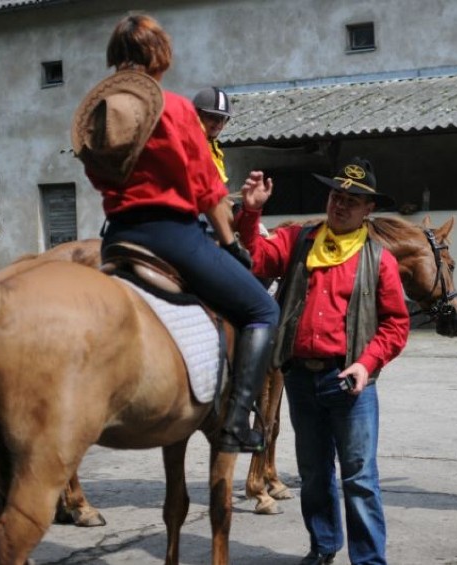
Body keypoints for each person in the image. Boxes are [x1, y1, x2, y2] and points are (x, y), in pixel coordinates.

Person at [70, 13, 279, 453]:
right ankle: (237, 423)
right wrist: (230, 245)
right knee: (262, 311)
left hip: (117, 237)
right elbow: (208, 192)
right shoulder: (177, 108)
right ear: (160, 58)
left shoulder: (99, 114)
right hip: (173, 238)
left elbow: (96, 175)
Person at [236, 158, 410, 565]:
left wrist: (367, 364)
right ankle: (323, 546)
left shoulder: (379, 258)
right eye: (336, 196)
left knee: (360, 480)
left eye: (352, 200)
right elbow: (257, 259)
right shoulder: (300, 239)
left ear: (369, 209)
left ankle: (368, 560)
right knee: (314, 476)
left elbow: (396, 325)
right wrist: (252, 211)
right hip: (301, 378)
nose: (340, 205)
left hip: (350, 382)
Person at [193, 86, 233, 184]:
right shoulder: (191, 149)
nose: (218, 123)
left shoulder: (214, 150)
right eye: (212, 117)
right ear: (196, 115)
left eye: (222, 118)